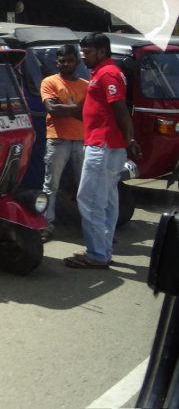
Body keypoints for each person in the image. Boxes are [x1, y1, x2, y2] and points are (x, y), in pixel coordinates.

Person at [64, 33, 142, 269]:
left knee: (89, 200)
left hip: (103, 147)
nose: (83, 58)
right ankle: (102, 250)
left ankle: (97, 254)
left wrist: (130, 139)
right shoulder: (101, 72)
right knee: (107, 201)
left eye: (87, 53)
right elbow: (91, 108)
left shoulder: (108, 73)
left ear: (101, 51)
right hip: (106, 147)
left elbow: (120, 107)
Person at [40, 44, 88, 242]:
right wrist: (77, 108)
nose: (65, 64)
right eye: (62, 61)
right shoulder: (49, 82)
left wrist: (66, 108)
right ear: (56, 62)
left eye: (69, 60)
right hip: (58, 139)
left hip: (82, 140)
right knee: (51, 185)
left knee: (85, 186)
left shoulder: (86, 84)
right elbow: (53, 109)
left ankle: (90, 227)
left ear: (77, 61)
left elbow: (89, 115)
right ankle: (45, 225)